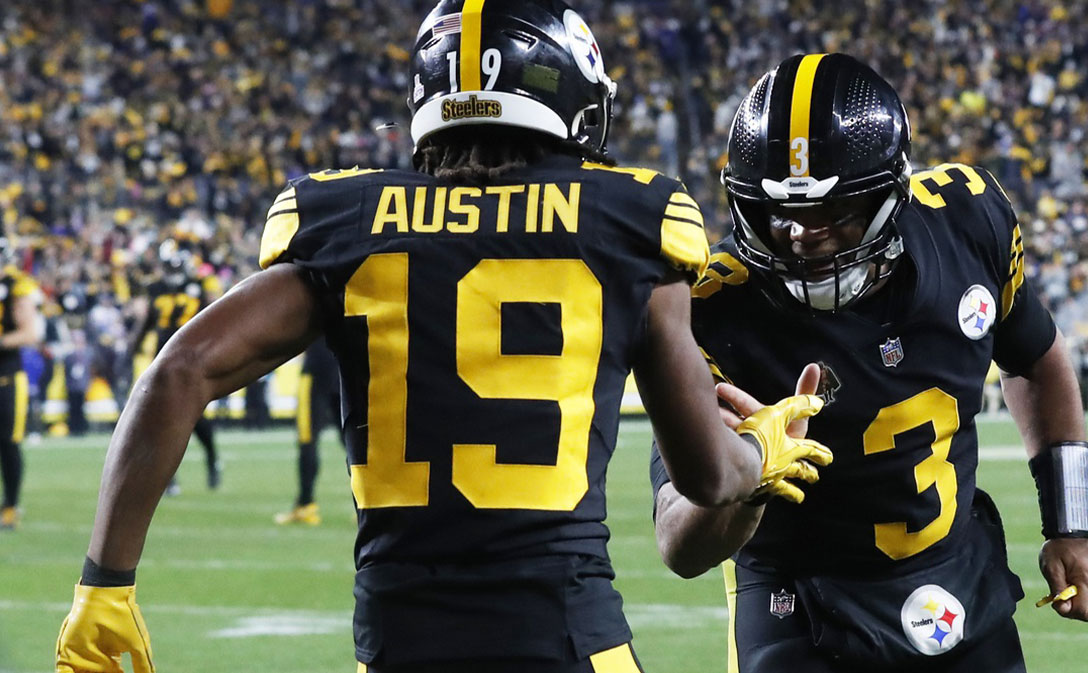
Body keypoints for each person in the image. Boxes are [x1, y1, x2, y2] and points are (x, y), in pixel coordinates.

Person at [54, 3, 833, 672]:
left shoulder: (350, 225)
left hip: (397, 644)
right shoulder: (628, 223)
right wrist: (759, 452)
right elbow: (707, 476)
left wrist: (104, 583)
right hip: (565, 638)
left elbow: (179, 370)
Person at [650, 53, 1088, 673]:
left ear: (887, 196)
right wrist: (747, 479)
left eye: (830, 213)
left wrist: (1074, 525)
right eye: (779, 212)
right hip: (802, 603)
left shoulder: (967, 219)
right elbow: (678, 546)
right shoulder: (706, 305)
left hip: (959, 579)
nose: (799, 234)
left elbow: (1036, 357)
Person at [131, 248, 221, 493]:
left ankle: (213, 459)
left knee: (194, 417)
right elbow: (148, 321)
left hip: (190, 360)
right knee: (162, 417)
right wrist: (133, 348)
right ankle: (169, 478)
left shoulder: (197, 287)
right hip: (162, 361)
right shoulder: (157, 288)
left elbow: (214, 319)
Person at [275, 335, 343, 526]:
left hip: (315, 369)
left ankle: (305, 504)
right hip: (341, 367)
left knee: (307, 439)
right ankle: (371, 505)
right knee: (353, 439)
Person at [0, 243, 42, 530]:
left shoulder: (15, 285)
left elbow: (31, 332)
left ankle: (11, 507)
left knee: (7, 443)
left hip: (6, 373)